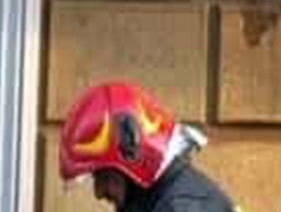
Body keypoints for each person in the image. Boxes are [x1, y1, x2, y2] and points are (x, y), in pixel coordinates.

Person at [58, 81, 238, 212]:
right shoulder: (156, 201)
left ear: (132, 153)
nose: (98, 192)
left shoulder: (181, 207)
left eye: (102, 175)